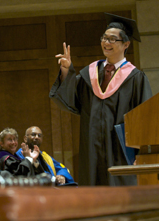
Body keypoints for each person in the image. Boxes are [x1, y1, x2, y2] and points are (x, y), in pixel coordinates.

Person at [50, 14, 152, 186]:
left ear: (126, 44)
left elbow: (145, 117)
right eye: (104, 38)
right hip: (92, 150)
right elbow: (71, 101)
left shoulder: (136, 78)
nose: (107, 43)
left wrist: (141, 153)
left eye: (113, 39)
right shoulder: (89, 74)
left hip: (121, 151)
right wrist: (66, 71)